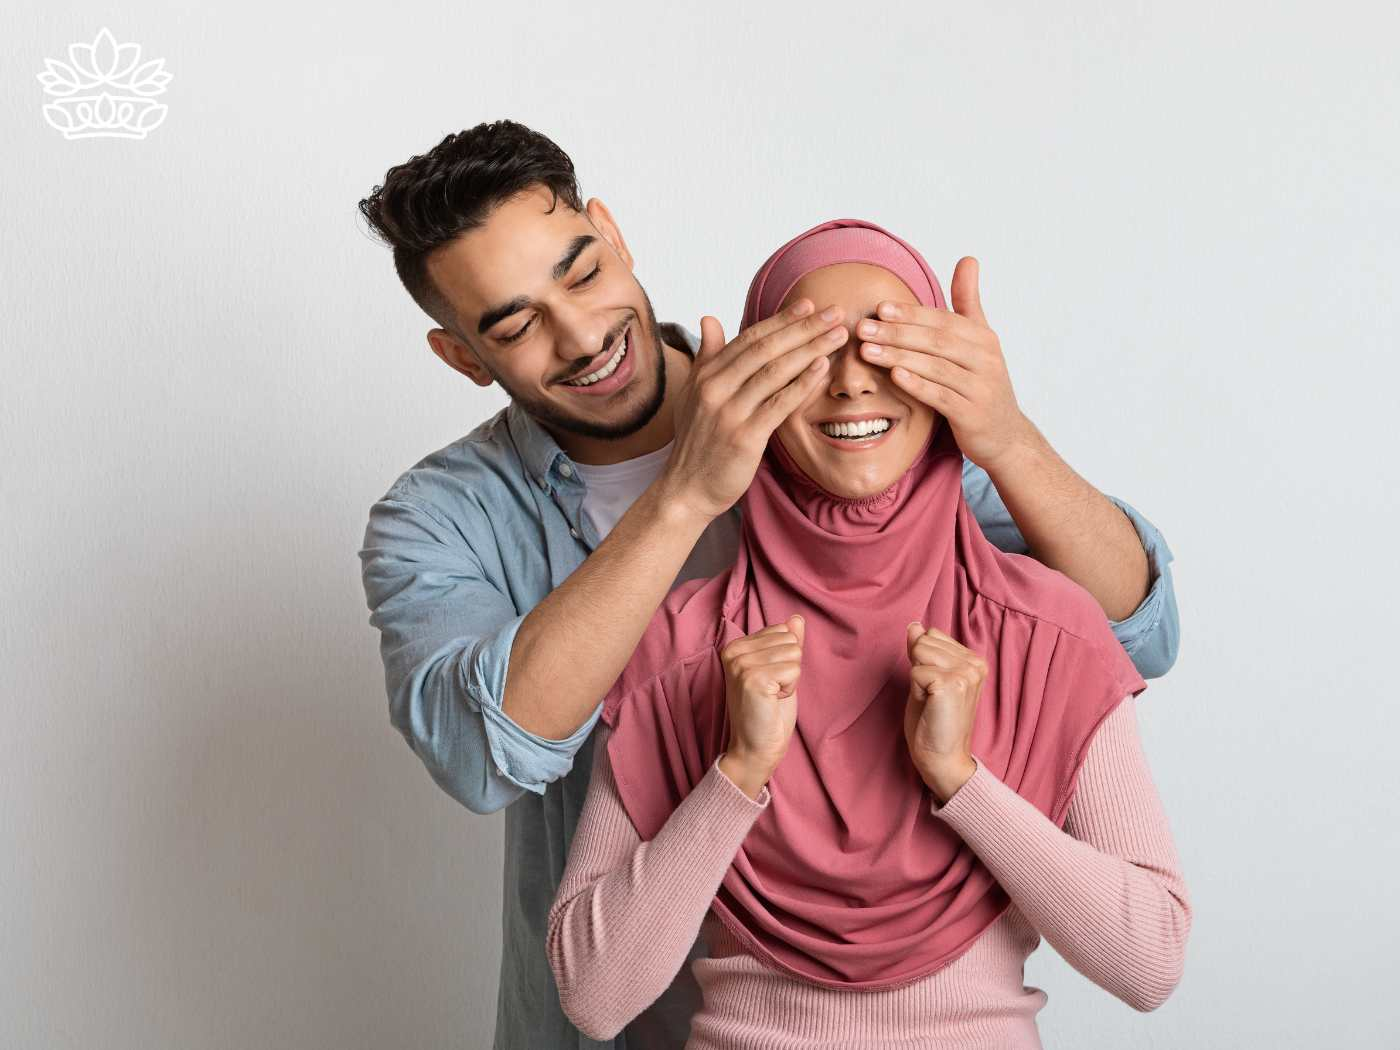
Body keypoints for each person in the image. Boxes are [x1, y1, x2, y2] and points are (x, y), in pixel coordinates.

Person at [355, 121, 1181, 1050]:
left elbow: (1129, 636)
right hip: (618, 1018)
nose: (582, 334)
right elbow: (480, 755)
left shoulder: (828, 411)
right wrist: (684, 497)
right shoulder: (436, 519)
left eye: (582, 274)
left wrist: (1006, 435)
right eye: (513, 324)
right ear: (463, 357)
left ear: (614, 235)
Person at [546, 219, 1191, 1049]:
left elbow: (1150, 962)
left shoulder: (1049, 628)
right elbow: (593, 998)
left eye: (888, 344)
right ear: (754, 385)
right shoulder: (679, 647)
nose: (852, 385)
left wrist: (963, 782)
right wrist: (735, 775)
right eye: (811, 351)